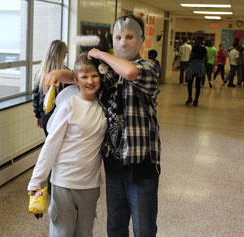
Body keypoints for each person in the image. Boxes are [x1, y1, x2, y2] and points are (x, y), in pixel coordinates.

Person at [43, 15, 161, 237]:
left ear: (142, 39)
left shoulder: (149, 67)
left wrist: (99, 53)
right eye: (118, 37)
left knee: (144, 229)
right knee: (115, 227)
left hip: (142, 165)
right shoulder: (108, 73)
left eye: (129, 36)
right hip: (114, 166)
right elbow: (88, 78)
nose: (123, 42)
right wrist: (62, 74)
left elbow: (130, 72)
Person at [28, 53, 106, 237]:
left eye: (94, 76)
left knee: (85, 233)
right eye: (84, 77)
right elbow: (51, 145)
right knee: (61, 232)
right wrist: (36, 181)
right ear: (75, 80)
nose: (90, 81)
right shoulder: (68, 105)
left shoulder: (104, 106)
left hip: (90, 185)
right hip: (64, 183)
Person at [32, 40, 69, 136]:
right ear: (63, 55)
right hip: (61, 116)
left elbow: (36, 96)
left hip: (45, 114)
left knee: (50, 143)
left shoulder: (40, 74)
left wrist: (38, 115)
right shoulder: (66, 75)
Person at [185, 35, 207, 106]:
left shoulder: (194, 48)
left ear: (199, 40)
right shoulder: (204, 49)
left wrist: (189, 63)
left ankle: (190, 97)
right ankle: (196, 100)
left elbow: (191, 57)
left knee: (190, 82)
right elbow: (206, 59)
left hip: (193, 65)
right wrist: (202, 63)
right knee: (198, 84)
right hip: (200, 65)